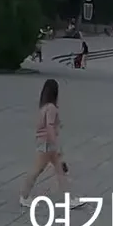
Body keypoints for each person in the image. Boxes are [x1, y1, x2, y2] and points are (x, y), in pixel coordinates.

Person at [18, 78, 70, 207]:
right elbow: (49, 126)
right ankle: (24, 196)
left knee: (59, 170)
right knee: (37, 170)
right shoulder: (51, 108)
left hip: (45, 142)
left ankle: (69, 198)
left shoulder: (44, 107)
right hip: (47, 144)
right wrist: (56, 145)